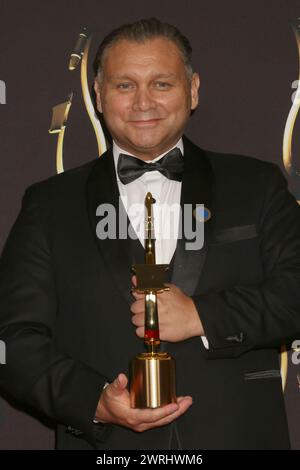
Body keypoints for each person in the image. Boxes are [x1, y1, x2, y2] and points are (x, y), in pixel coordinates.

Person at [0, 17, 300, 450]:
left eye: (161, 84)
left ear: (192, 90)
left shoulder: (257, 184)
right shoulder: (49, 204)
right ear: (99, 96)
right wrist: (95, 401)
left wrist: (202, 316)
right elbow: (13, 339)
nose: (144, 102)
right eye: (125, 86)